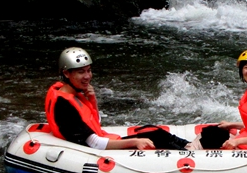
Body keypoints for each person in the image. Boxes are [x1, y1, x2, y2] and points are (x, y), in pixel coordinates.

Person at [45, 47, 190, 151]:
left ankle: (192, 145)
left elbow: (95, 124)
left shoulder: (73, 94)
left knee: (154, 131)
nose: (87, 76)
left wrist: (92, 100)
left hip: (101, 142)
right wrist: (135, 142)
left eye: (89, 70)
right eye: (81, 72)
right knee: (157, 140)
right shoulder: (64, 105)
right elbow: (94, 143)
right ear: (66, 73)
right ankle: (192, 152)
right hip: (95, 152)